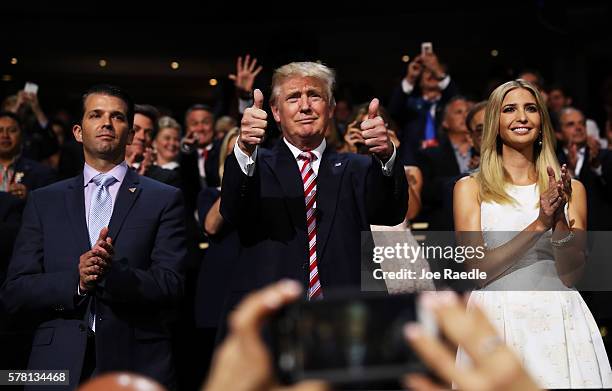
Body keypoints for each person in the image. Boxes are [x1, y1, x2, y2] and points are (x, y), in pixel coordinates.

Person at [2, 84, 188, 390]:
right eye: (96, 115)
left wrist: (112, 275)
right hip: (55, 364)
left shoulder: (164, 198)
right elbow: (15, 290)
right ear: (78, 131)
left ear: (130, 134)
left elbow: (172, 284)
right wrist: (77, 281)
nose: (106, 123)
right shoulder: (44, 200)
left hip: (136, 361)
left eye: (117, 117)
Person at [453, 79, 612, 388]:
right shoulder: (469, 188)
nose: (522, 118)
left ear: (542, 121)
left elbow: (571, 276)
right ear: (494, 123)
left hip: (561, 320)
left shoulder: (572, 189)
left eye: (531, 109)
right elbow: (477, 269)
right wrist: (539, 222)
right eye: (509, 109)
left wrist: (558, 222)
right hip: (496, 321)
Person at [220, 61, 407, 305]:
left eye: (314, 96)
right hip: (272, 313)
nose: (305, 106)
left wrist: (385, 155)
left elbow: (391, 214)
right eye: (294, 97)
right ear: (275, 112)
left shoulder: (357, 168)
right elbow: (233, 211)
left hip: (348, 313)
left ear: (330, 108)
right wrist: (244, 148)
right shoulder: (255, 166)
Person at [0, 111, 57, 199]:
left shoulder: (41, 173)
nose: (5, 135)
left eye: (12, 130)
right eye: (0, 131)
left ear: (22, 135)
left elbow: (53, 202)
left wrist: (29, 196)